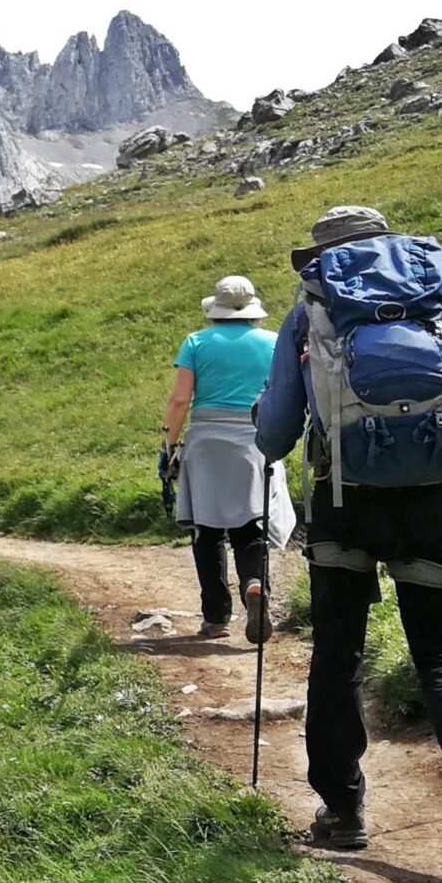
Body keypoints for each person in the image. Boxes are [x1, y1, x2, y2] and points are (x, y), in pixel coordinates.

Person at [256, 205, 442, 875]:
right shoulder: (436, 298)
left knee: (339, 649)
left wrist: (269, 420)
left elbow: (275, 434)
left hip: (345, 498)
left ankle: (342, 811)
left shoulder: (311, 309)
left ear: (320, 259)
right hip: (433, 497)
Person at [162, 275, 283, 642]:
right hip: (253, 439)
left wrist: (168, 445)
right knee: (250, 523)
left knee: (207, 529)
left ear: (215, 309)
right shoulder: (274, 342)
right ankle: (255, 582)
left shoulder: (196, 342)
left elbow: (180, 400)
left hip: (206, 440)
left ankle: (216, 617)